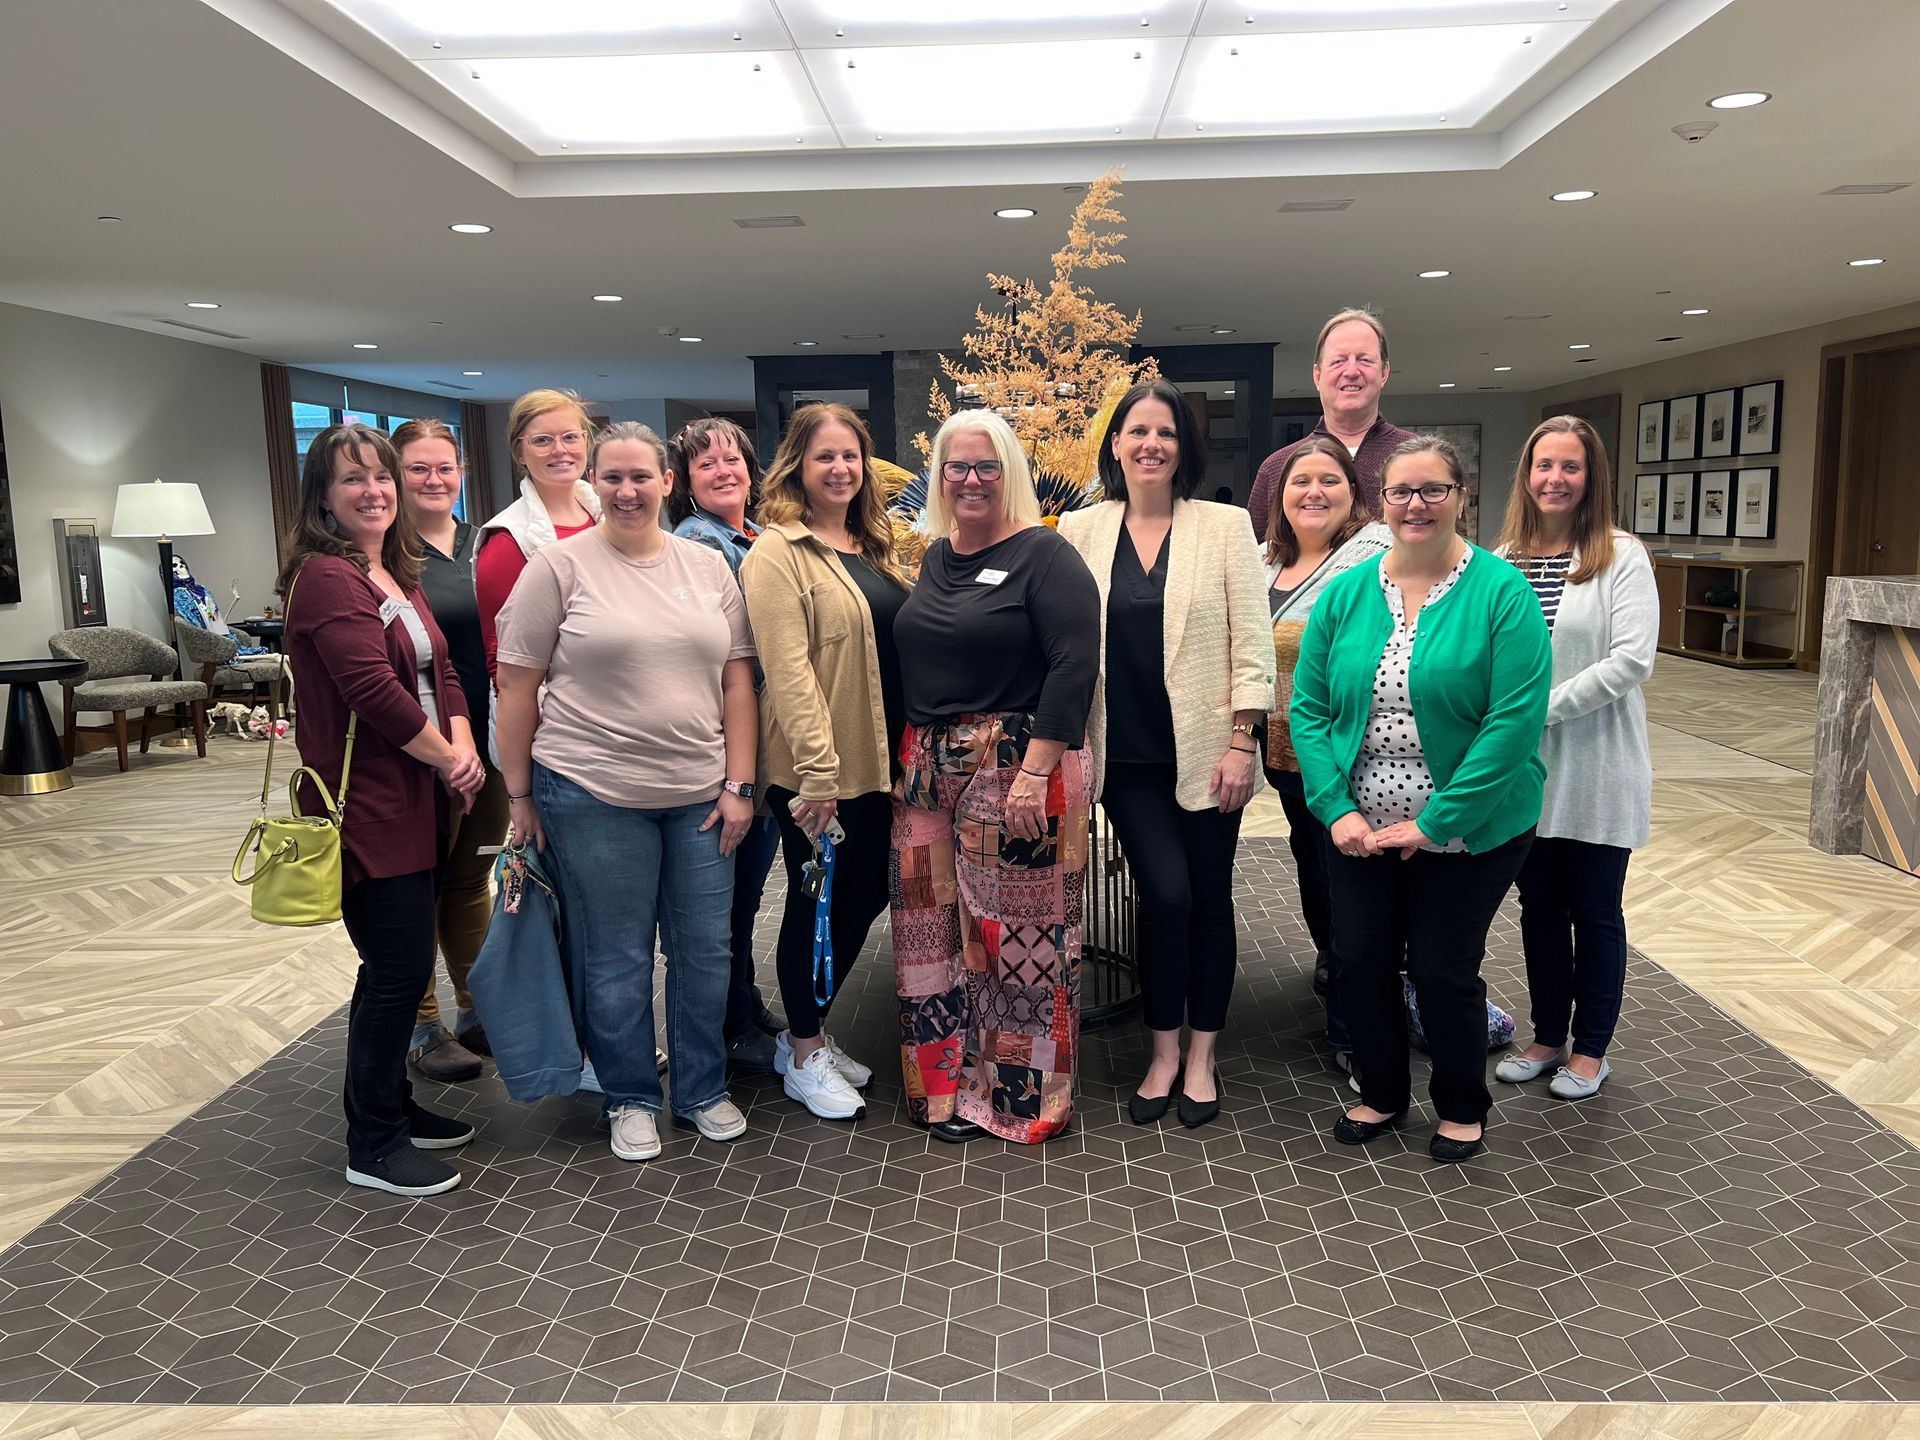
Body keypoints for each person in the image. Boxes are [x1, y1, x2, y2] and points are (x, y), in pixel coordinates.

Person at [494, 421, 758, 1162]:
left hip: (702, 794)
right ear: (594, 484)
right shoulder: (557, 567)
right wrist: (518, 796)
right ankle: (631, 1094)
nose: (628, 490)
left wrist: (741, 783)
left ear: (667, 481)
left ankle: (703, 1088)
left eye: (642, 476)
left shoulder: (706, 570)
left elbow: (739, 677)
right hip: (591, 792)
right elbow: (516, 685)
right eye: (612, 477)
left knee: (706, 949)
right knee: (617, 956)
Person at [1291, 435, 1551, 1164]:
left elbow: (1512, 724)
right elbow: (1308, 710)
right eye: (1402, 491)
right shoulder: (1346, 593)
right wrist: (1335, 808)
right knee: (1360, 960)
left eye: (1432, 489)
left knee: (1441, 967)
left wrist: (1434, 823)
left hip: (1470, 828)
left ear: (1461, 497)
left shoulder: (1502, 592)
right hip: (1359, 826)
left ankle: (1462, 1104)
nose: (1416, 504)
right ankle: (1380, 1092)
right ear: (1382, 504)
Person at [1059, 379, 1273, 1130]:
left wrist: (1244, 741)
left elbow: (1252, 643)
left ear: (1185, 447)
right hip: (1124, 755)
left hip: (1213, 753)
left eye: (1167, 432)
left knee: (1208, 901)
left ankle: (1203, 1054)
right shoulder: (1079, 531)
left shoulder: (1224, 525)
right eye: (1137, 431)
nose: (1151, 444)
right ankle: (1161, 1051)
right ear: (1115, 444)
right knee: (1168, 896)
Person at [278, 423, 484, 1197]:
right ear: (322, 498)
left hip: (423, 794)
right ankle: (373, 1143)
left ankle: (392, 1105)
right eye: (352, 480)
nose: (374, 491)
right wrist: (448, 756)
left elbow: (447, 672)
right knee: (396, 970)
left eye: (381, 477)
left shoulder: (393, 569)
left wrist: (459, 745)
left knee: (398, 967)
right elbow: (373, 690)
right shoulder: (328, 578)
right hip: (368, 803)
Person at [891, 410, 1100, 1144]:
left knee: (1019, 941)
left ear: (1009, 471)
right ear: (939, 477)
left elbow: (1075, 665)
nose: (971, 479)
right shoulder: (933, 557)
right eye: (957, 467)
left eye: (986, 466)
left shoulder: (1046, 553)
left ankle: (1018, 1101)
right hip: (925, 768)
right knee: (927, 936)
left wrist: (1033, 773)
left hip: (1016, 761)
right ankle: (943, 1093)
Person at [740, 404, 911, 1121]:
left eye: (850, 456)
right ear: (796, 467)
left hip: (879, 765)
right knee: (818, 902)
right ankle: (804, 1053)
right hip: (820, 775)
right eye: (823, 457)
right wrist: (817, 776)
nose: (840, 469)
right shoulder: (777, 552)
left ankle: (808, 1034)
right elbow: (788, 672)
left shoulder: (877, 544)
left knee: (863, 894)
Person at [1492, 416, 1657, 1100]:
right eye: (1543, 466)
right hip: (1526, 773)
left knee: (1594, 911)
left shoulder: (1621, 554)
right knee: (1537, 909)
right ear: (1526, 476)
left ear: (1592, 479)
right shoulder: (1504, 556)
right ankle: (1546, 1036)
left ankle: (1592, 1049)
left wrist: (1536, 709)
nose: (1555, 479)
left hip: (1596, 766)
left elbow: (1631, 660)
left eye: (1571, 467)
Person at [1260, 437, 1390, 1061]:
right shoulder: (1263, 561)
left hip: (1353, 762)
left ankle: (1359, 1035)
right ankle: (1346, 995)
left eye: (1330, 480)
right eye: (1299, 481)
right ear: (1279, 497)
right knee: (1316, 879)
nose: (1313, 492)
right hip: (1287, 762)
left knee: (1354, 898)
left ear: (1354, 494)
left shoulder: (1375, 557)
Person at [393, 419, 509, 1085]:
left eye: (445, 467)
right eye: (418, 468)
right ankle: (422, 1023)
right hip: (422, 748)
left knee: (470, 881)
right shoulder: (385, 556)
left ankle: (477, 1010)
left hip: (490, 741)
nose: (434, 480)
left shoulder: (483, 544)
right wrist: (443, 750)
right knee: (416, 888)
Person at [669, 417, 784, 1074]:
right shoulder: (697, 543)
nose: (722, 470)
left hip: (763, 741)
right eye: (705, 464)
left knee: (745, 893)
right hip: (723, 746)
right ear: (686, 482)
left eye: (731, 459)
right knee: (726, 898)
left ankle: (742, 998)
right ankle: (728, 1024)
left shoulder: (756, 536)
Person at [1246, 307, 1415, 537]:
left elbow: (1456, 554)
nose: (1352, 371)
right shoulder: (1277, 468)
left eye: (1365, 360)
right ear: (1317, 375)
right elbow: (1255, 562)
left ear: (1384, 372)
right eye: (1338, 361)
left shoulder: (1419, 459)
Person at [476, 389, 600, 680]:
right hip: (553, 712)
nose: (560, 450)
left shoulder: (608, 519)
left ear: (586, 442)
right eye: (542, 440)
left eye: (570, 437)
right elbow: (502, 659)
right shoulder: (507, 540)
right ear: (519, 452)